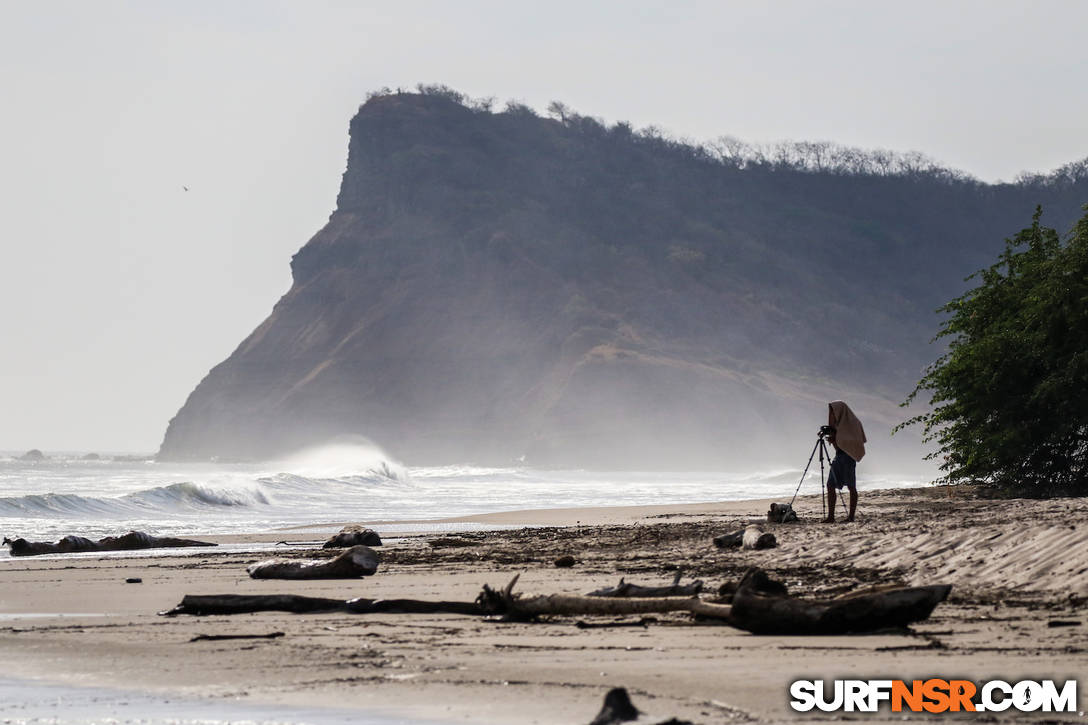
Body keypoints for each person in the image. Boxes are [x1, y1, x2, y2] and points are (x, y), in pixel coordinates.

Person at [822, 400, 866, 523]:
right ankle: (831, 516)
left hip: (848, 457)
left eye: (832, 412)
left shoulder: (853, 423)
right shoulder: (839, 425)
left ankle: (851, 516)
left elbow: (853, 443)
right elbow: (839, 445)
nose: (831, 414)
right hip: (839, 456)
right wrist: (832, 437)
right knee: (830, 485)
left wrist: (835, 438)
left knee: (851, 487)